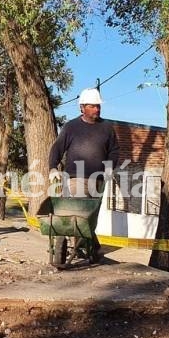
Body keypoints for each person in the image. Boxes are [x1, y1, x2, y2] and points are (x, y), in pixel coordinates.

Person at [48, 87, 120, 257]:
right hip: (75, 177)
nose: (97, 109)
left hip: (98, 179)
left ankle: (89, 247)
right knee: (78, 212)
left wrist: (110, 166)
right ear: (82, 107)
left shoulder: (107, 128)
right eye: (93, 106)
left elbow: (114, 151)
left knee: (90, 216)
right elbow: (57, 148)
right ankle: (88, 247)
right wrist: (52, 167)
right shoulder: (71, 127)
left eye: (98, 106)